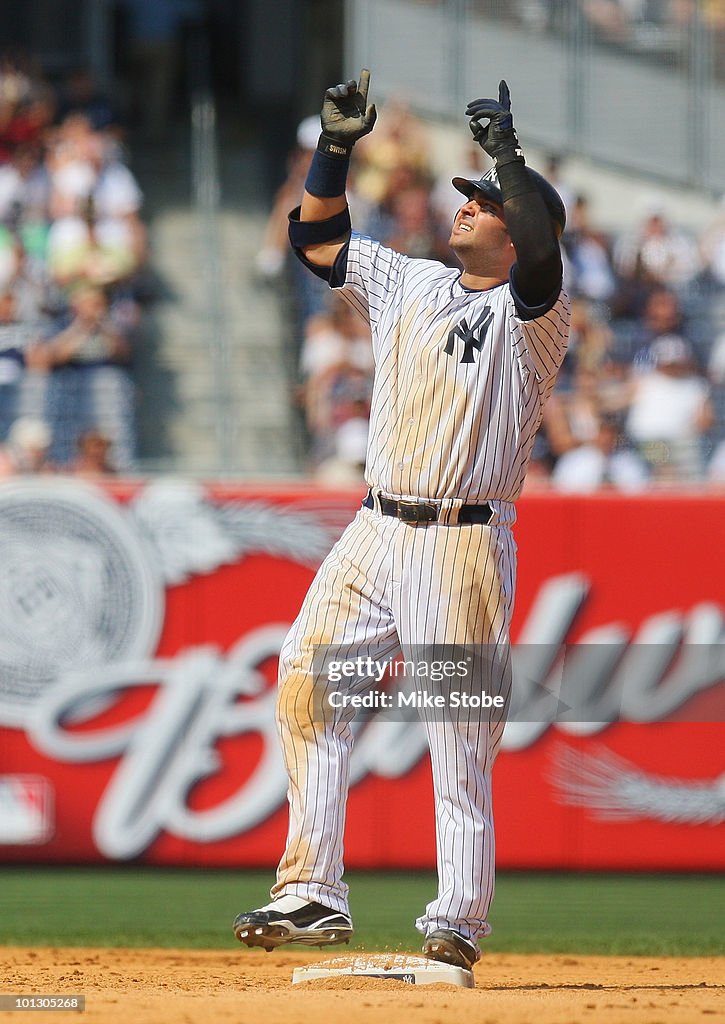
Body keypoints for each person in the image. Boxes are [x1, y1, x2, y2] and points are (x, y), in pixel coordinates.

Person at [233, 71, 570, 971]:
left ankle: (455, 921)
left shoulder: (530, 314)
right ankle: (311, 891)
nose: (465, 208)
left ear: (520, 225)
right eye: (467, 197)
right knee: (307, 679)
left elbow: (540, 259)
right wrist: (334, 147)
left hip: (461, 540)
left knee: (457, 743)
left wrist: (508, 159)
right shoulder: (408, 280)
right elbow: (315, 239)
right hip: (376, 526)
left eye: (485, 203)